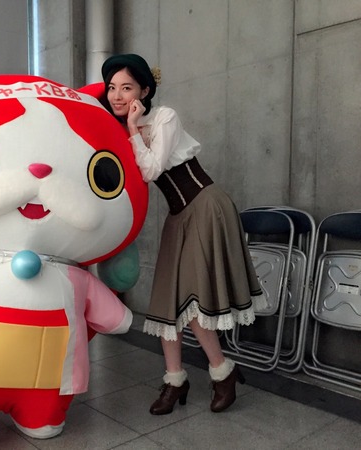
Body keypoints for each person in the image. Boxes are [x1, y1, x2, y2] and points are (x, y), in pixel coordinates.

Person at [101, 54, 266, 415]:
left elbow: (151, 170)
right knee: (166, 300)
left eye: (126, 88)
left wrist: (133, 128)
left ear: (144, 91)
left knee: (191, 301)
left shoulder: (164, 117)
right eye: (112, 88)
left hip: (204, 206)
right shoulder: (118, 128)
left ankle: (222, 372)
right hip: (179, 215)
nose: (117, 95)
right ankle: (175, 380)